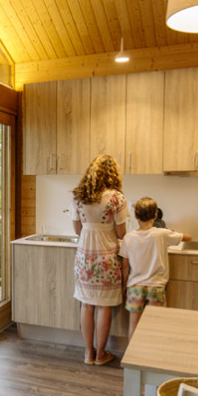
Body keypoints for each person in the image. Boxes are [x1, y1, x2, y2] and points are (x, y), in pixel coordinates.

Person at [70, 154, 129, 366]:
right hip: (107, 259)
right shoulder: (117, 198)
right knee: (104, 306)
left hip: (84, 258)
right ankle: (101, 354)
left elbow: (77, 229)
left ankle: (88, 353)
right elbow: (121, 234)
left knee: (86, 305)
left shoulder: (78, 197)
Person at [120, 197, 191, 340]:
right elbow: (188, 237)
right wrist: (173, 232)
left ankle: (132, 352)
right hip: (156, 287)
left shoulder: (128, 237)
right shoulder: (162, 233)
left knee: (134, 323)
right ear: (155, 215)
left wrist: (123, 286)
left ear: (136, 216)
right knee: (155, 324)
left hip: (135, 287)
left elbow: (125, 266)